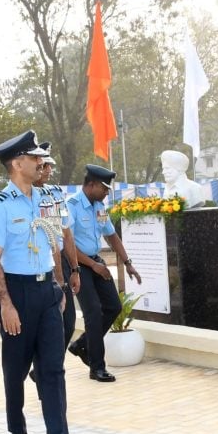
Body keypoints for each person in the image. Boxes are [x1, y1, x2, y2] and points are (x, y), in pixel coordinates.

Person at [0, 130, 84, 434]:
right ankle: (17, 426)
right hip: (18, 292)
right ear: (17, 164)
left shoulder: (45, 200)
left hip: (46, 293)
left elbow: (55, 243)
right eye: (33, 157)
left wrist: (59, 286)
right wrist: (7, 304)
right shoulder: (0, 206)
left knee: (53, 369)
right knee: (15, 367)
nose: (40, 162)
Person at [66, 164, 142, 383]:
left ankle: (81, 344)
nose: (107, 192)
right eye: (104, 188)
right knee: (93, 313)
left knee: (114, 307)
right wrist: (91, 265)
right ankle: (97, 367)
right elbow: (66, 243)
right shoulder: (72, 206)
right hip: (78, 265)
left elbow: (112, 236)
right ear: (91, 185)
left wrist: (127, 262)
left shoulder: (99, 206)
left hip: (96, 262)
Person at [34, 150, 81, 353]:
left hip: (60, 260)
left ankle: (48, 368)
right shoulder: (25, 196)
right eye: (45, 166)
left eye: (49, 165)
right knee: (45, 325)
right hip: (38, 263)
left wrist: (75, 269)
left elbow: (66, 233)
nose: (49, 170)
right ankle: (45, 367)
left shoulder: (55, 194)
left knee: (68, 322)